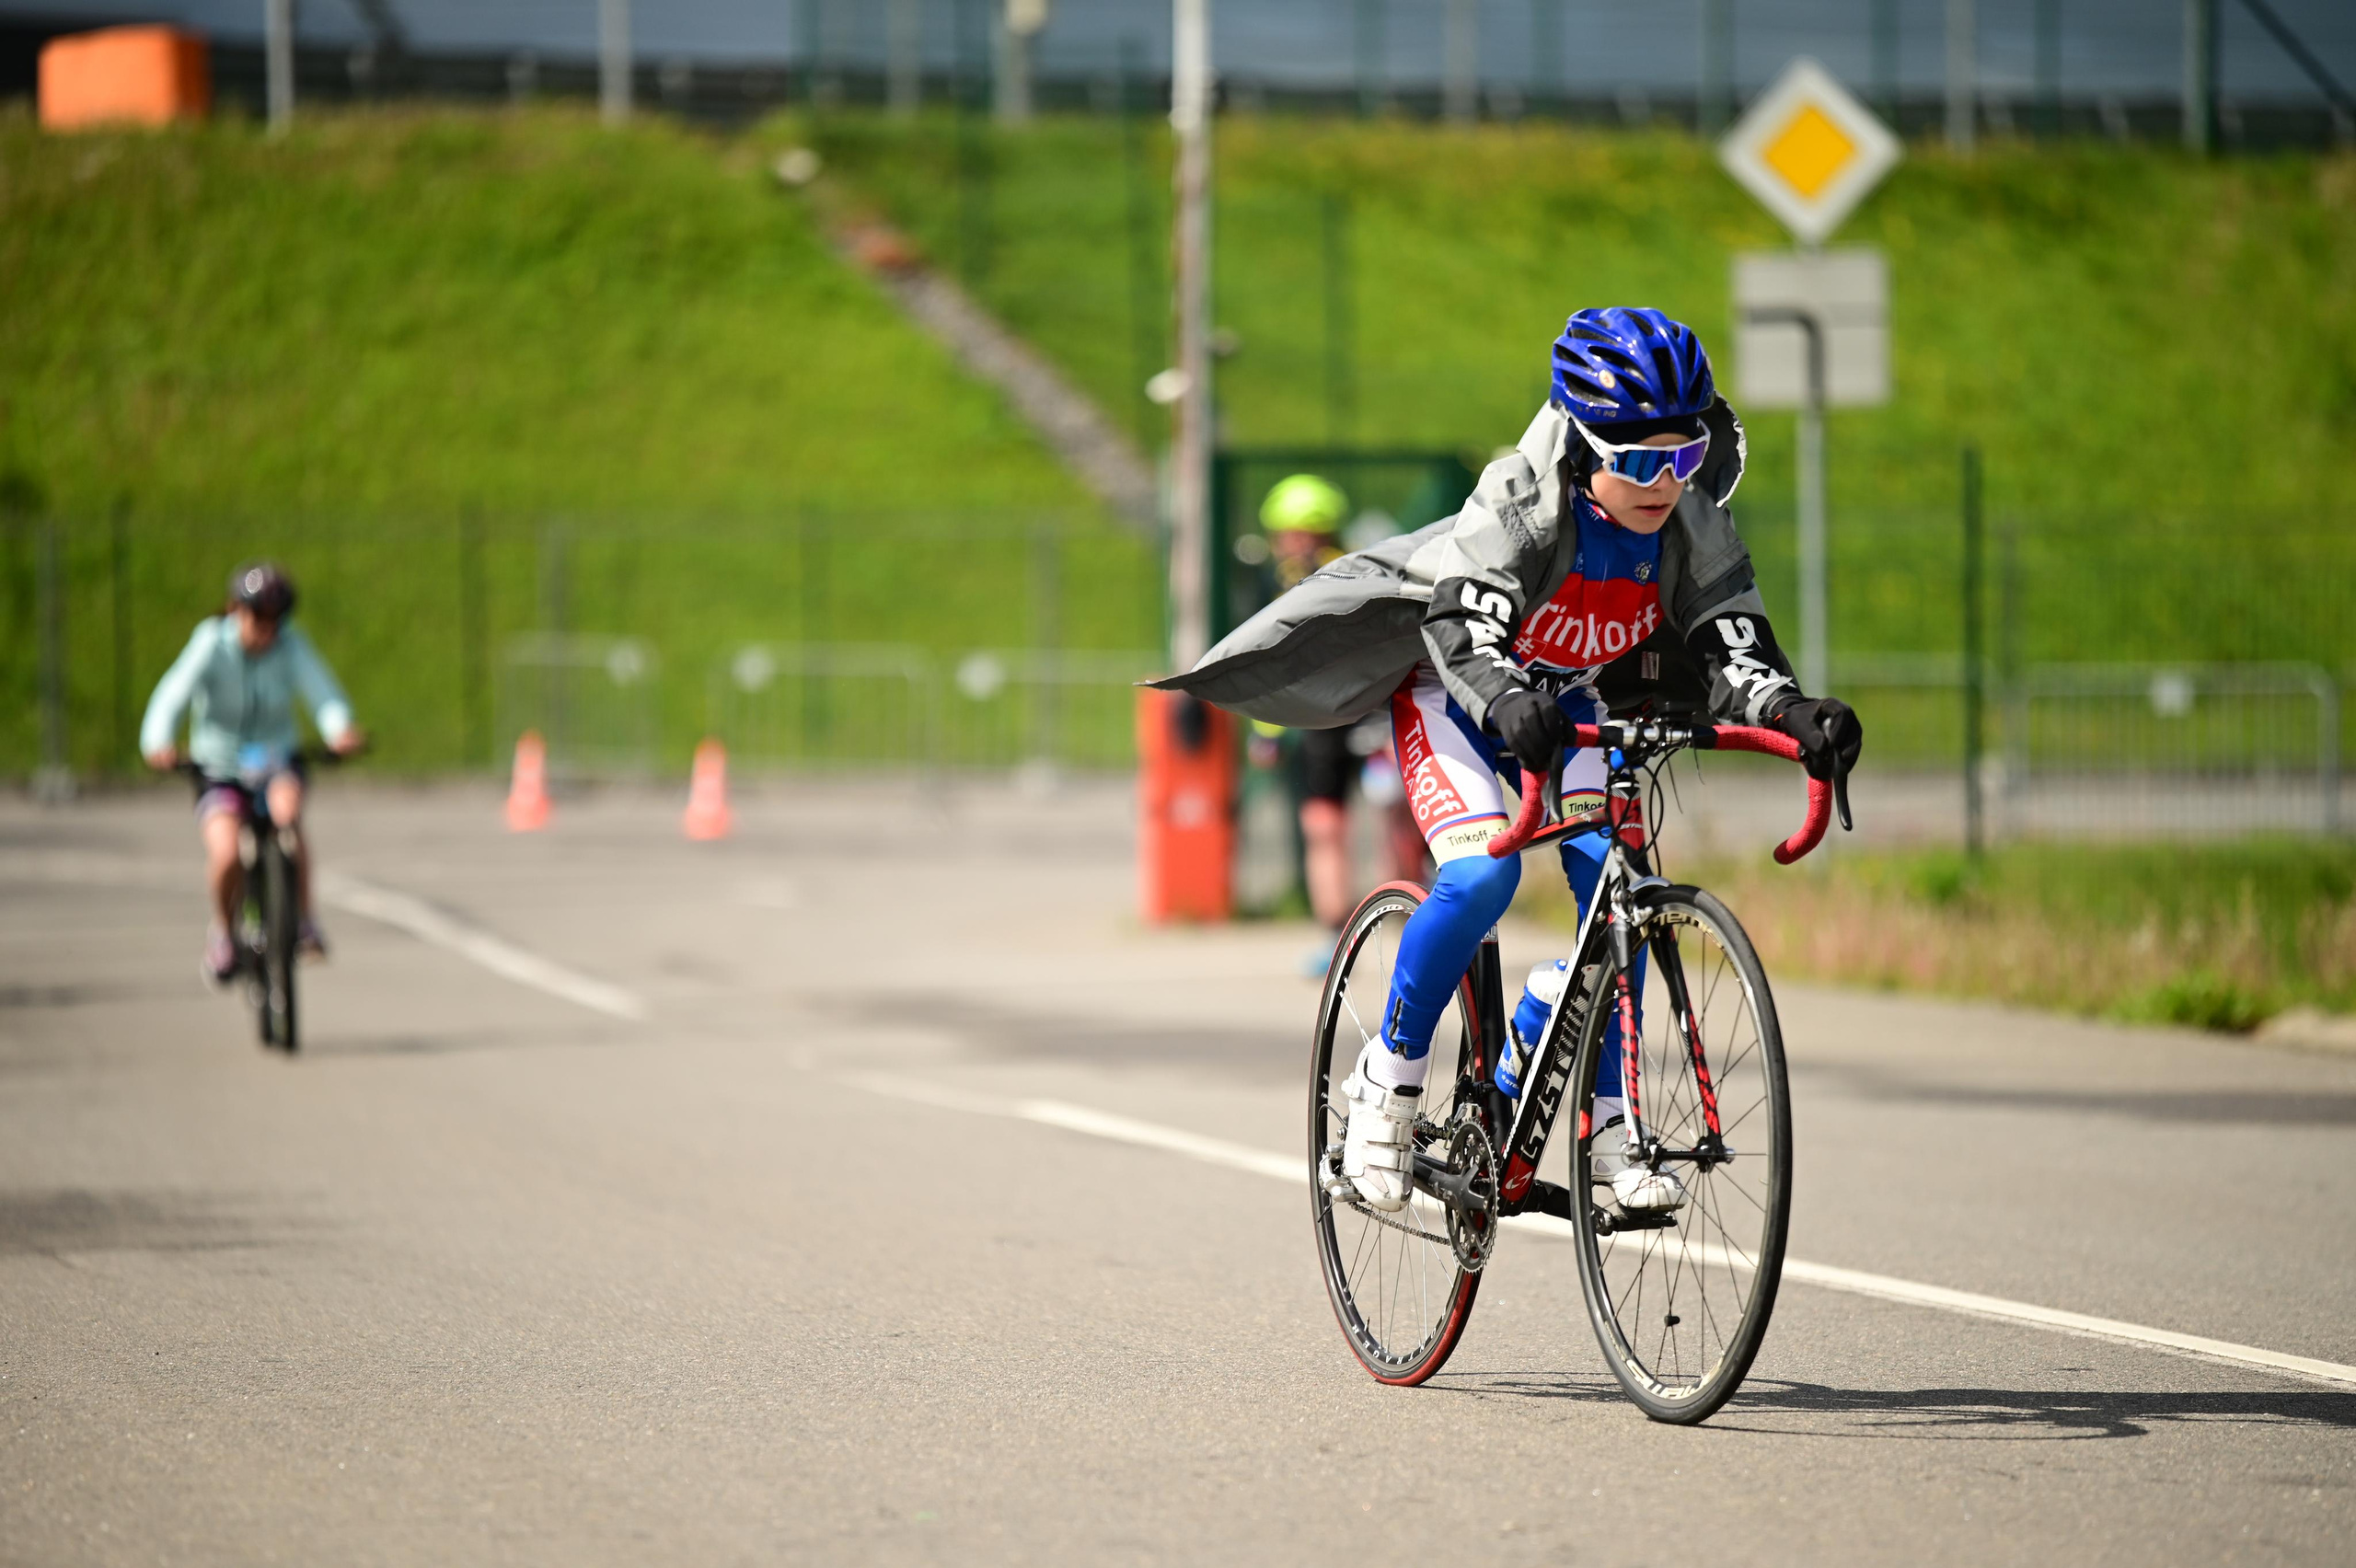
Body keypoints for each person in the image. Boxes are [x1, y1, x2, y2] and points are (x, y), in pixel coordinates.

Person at [1155, 307, 1862, 1216]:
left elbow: (1734, 645)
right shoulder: (1521, 501)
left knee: (1621, 890)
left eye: (1682, 456)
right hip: (1456, 696)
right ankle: (1386, 1084)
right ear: (1584, 442)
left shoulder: (1690, 520)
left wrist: (1794, 712)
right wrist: (1503, 699)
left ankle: (1609, 1119)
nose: (1662, 482)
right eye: (1637, 460)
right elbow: (1462, 626)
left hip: (1571, 707)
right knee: (1482, 876)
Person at [141, 563, 365, 984]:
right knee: (226, 851)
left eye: (276, 620)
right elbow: (173, 692)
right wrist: (159, 741)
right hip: (219, 766)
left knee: (288, 816)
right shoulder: (211, 643)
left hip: (276, 760)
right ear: (235, 610)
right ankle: (223, 933)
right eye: (258, 617)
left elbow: (322, 692)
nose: (267, 628)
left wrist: (340, 729)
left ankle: (305, 921)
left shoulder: (291, 646)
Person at [1257, 474, 1361, 969]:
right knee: (1376, 824)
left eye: (1285, 534)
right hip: (1371, 713)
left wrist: (1265, 732)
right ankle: (1403, 916)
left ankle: (1335, 937)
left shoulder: (1296, 580)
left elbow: (1275, 663)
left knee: (1325, 828)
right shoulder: (1361, 564)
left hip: (1329, 721)